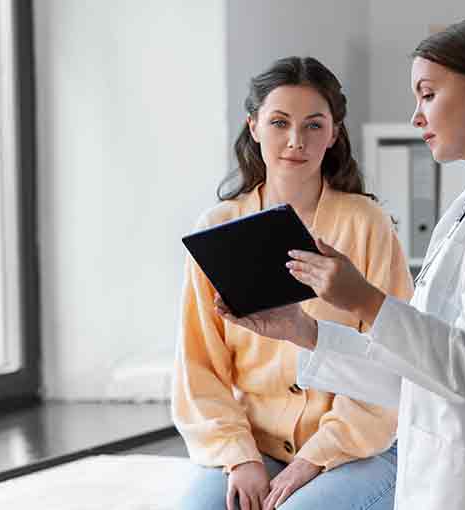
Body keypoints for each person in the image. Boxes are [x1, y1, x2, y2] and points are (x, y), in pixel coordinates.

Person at [216, 20, 465, 510]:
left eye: (427, 94)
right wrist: (303, 330)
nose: (416, 116)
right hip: (450, 476)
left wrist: (363, 299)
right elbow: (416, 374)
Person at [172, 56, 414, 510]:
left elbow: (393, 361)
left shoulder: (367, 225)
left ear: (334, 133)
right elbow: (198, 368)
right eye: (280, 123)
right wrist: (240, 457)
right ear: (254, 126)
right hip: (254, 445)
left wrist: (314, 460)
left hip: (360, 446)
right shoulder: (219, 229)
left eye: (314, 125)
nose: (295, 141)